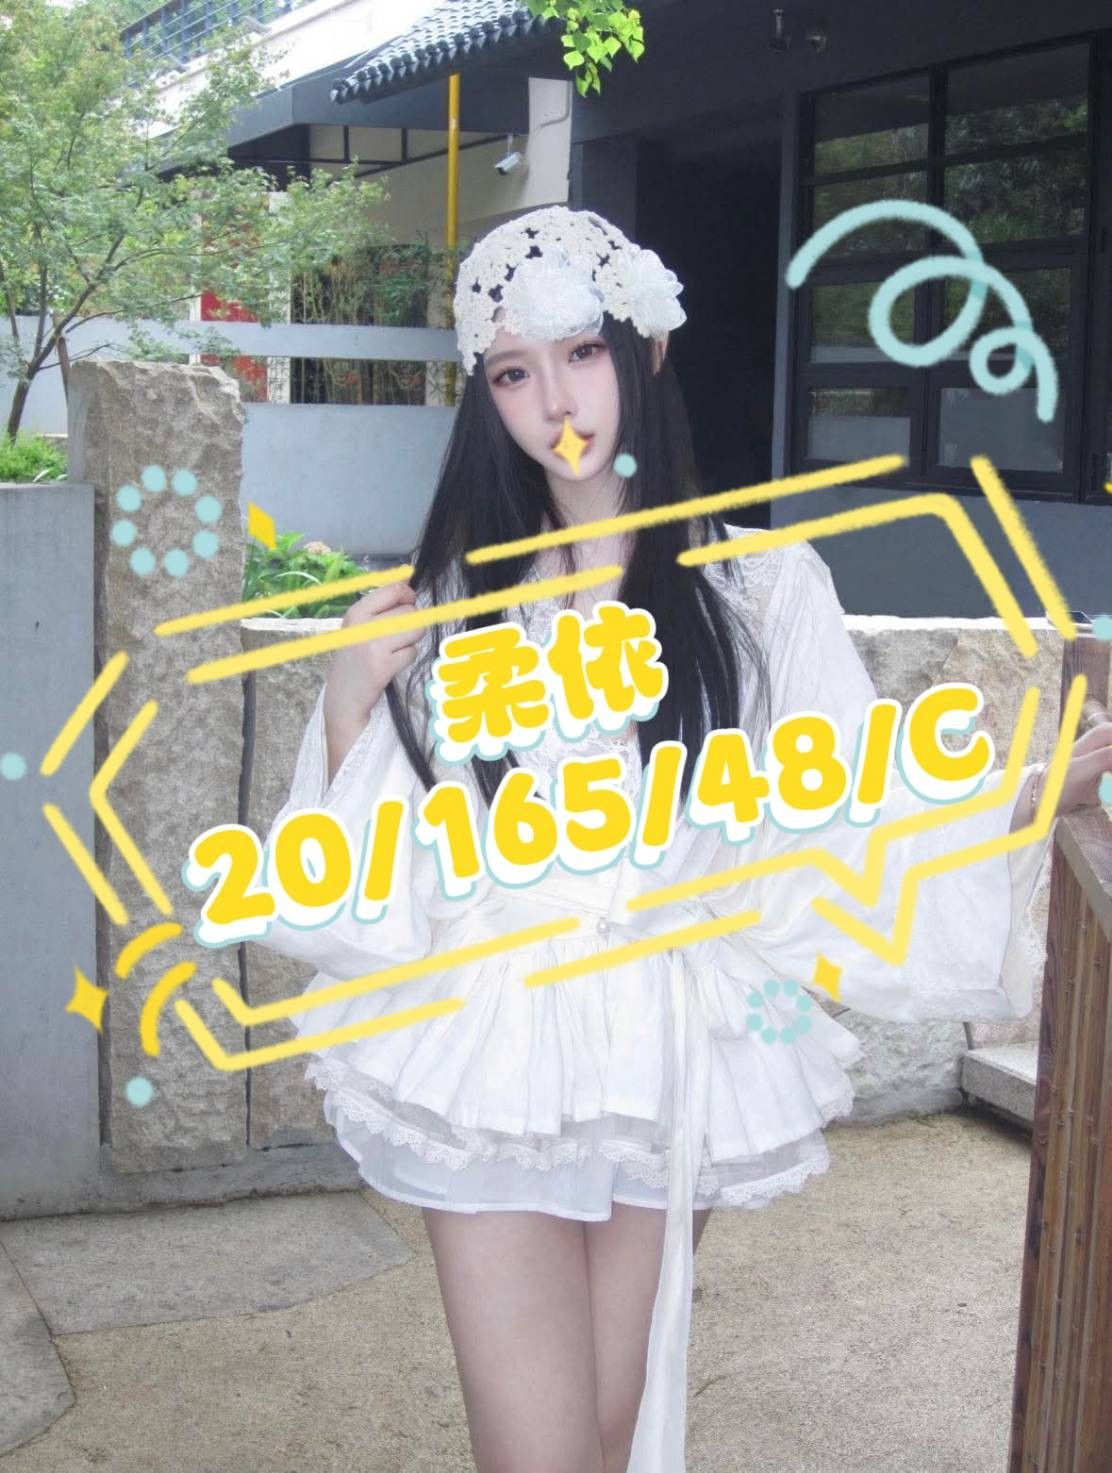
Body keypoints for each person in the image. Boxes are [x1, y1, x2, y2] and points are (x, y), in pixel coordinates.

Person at [256, 205, 1112, 1473]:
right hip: (495, 1033)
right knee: (537, 1456)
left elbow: (843, 805)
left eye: (579, 353)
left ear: (645, 350)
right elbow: (370, 865)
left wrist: (1014, 798)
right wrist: (345, 706)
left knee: (609, 1436)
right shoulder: (441, 604)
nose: (555, 400)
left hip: (673, 1035)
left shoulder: (758, 589)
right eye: (512, 372)